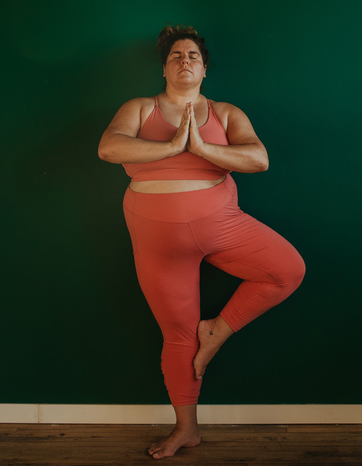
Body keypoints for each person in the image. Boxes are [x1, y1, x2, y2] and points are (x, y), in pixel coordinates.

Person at [98, 25, 305, 460]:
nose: (185, 61)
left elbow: (258, 159)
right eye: (176, 56)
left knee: (288, 270)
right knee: (177, 336)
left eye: (193, 55)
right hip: (158, 242)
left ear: (205, 68)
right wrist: (173, 146)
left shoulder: (227, 113)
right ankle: (186, 430)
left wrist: (201, 147)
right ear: (164, 68)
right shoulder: (139, 108)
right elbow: (109, 148)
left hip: (221, 226)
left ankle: (219, 329)